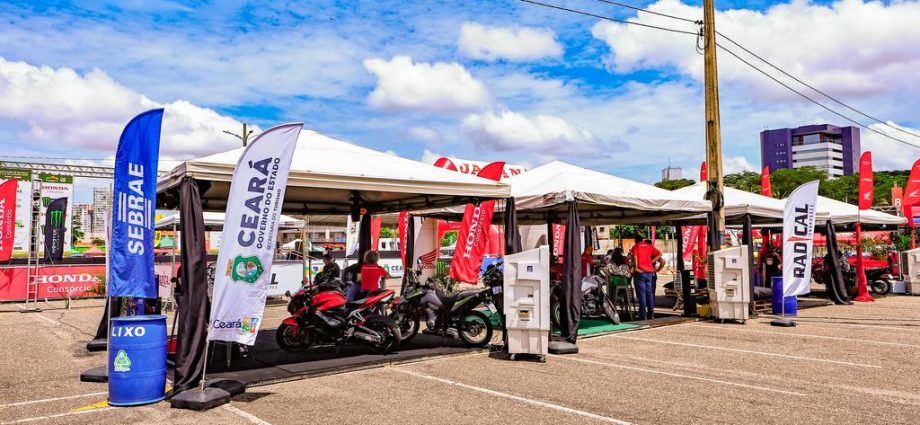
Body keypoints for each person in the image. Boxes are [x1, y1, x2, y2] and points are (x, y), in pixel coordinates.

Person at [630, 235, 664, 320]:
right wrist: (651, 262)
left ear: (635, 240)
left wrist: (636, 267)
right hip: (649, 273)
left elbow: (635, 257)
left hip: (640, 272)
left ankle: (643, 314)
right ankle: (651, 314)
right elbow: (660, 254)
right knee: (650, 294)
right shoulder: (649, 246)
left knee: (641, 294)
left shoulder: (635, 247)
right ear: (642, 240)